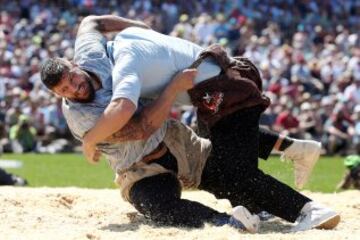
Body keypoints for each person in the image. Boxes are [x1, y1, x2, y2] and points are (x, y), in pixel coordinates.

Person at [41, 15, 337, 232]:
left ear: (74, 63)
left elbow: (91, 21)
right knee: (158, 205)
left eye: (72, 78)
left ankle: (301, 206)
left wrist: (142, 29)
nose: (75, 88)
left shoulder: (108, 57)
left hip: (180, 137)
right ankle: (228, 222)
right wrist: (91, 137)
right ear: (58, 95)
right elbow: (139, 129)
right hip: (140, 167)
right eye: (65, 90)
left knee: (233, 175)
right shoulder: (81, 115)